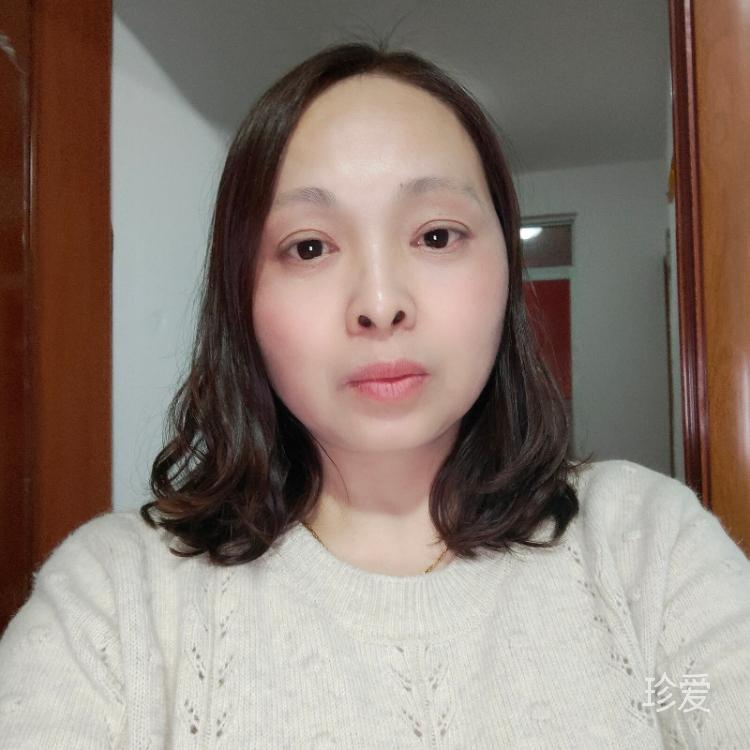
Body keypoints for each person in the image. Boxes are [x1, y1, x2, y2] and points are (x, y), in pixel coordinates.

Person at [0, 40, 748, 749]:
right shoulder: (113, 600)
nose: (381, 303)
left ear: (507, 272)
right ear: (241, 296)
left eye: (436, 236)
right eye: (309, 247)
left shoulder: (648, 547)